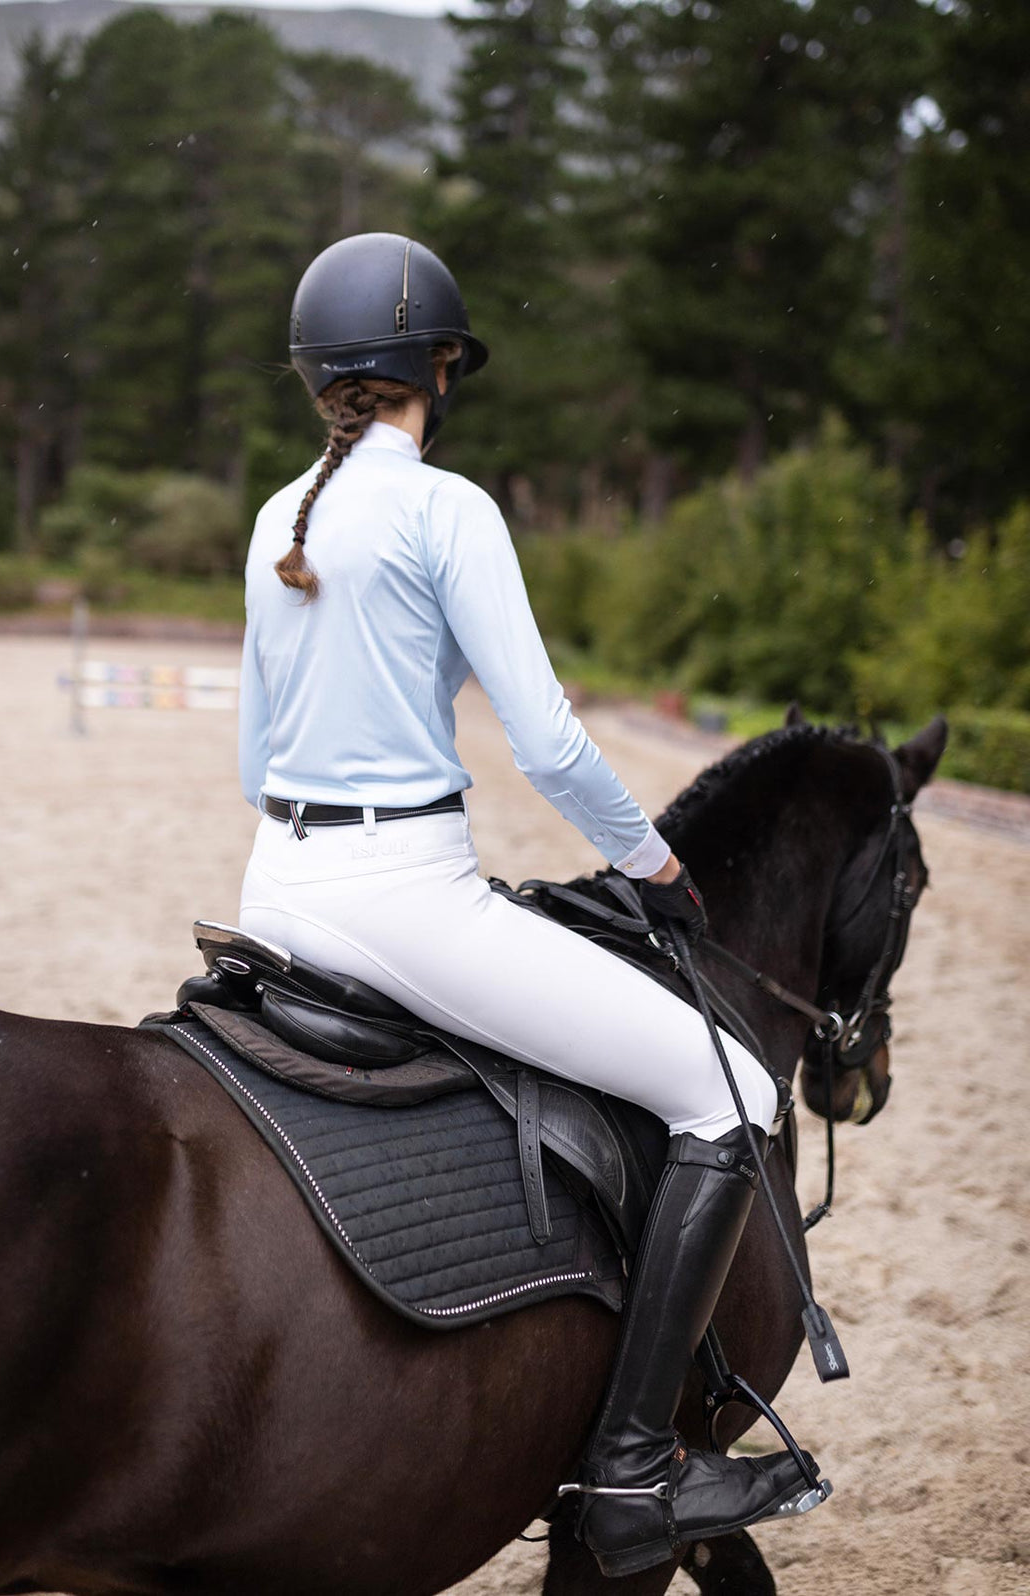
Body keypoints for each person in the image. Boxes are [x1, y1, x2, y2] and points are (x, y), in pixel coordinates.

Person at [237, 232, 822, 1577]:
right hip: (402, 900)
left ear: (320, 377)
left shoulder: (282, 518)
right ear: (440, 371)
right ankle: (628, 1466)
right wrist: (654, 867)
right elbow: (550, 743)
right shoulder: (449, 510)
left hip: (276, 892)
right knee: (728, 1092)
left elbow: (255, 755)